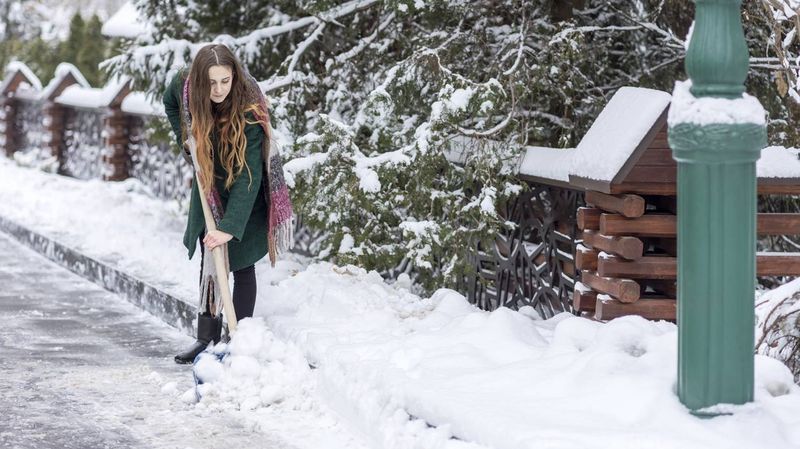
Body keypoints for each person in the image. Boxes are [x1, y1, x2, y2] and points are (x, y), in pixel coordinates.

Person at [163, 44, 293, 364]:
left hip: (245, 193)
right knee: (210, 261)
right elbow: (169, 101)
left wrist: (230, 228)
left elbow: (248, 178)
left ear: (234, 76)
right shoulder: (186, 86)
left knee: (242, 263)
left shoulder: (250, 109)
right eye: (212, 83)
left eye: (225, 81)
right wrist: (185, 139)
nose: (219, 89)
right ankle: (205, 337)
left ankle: (239, 339)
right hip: (210, 185)